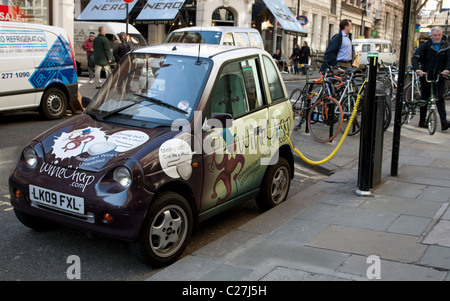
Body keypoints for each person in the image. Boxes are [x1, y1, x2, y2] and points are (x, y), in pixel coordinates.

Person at [412, 26, 450, 131]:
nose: (437, 37)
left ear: (441, 35)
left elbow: (449, 60)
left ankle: (443, 122)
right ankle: (422, 121)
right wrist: (417, 69)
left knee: (440, 98)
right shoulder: (426, 45)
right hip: (426, 76)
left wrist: (447, 69)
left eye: (439, 35)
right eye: (434, 35)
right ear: (431, 36)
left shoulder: (446, 46)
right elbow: (415, 57)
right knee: (424, 98)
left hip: (439, 76)